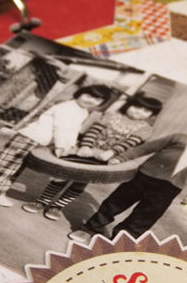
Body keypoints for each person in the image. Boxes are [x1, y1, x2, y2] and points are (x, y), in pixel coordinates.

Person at [70, 115, 187, 241]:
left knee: (146, 216)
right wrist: (122, 158)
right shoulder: (179, 137)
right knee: (116, 202)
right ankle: (89, 228)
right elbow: (146, 148)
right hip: (144, 176)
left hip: (170, 188)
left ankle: (122, 239)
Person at [0, 84, 113, 208]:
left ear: (102, 103)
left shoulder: (83, 111)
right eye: (88, 95)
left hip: (39, 143)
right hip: (28, 138)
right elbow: (61, 128)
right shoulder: (68, 107)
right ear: (80, 93)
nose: (90, 100)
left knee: (15, 169)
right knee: (1, 166)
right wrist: (61, 148)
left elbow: (72, 131)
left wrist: (70, 145)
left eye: (97, 100)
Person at [21, 93, 163, 220]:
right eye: (136, 107)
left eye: (146, 111)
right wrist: (86, 146)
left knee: (80, 182)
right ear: (129, 105)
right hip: (85, 150)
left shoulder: (145, 128)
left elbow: (129, 143)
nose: (139, 112)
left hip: (105, 157)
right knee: (62, 176)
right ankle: (42, 201)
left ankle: (57, 206)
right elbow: (93, 131)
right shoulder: (111, 115)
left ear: (152, 115)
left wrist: (111, 153)